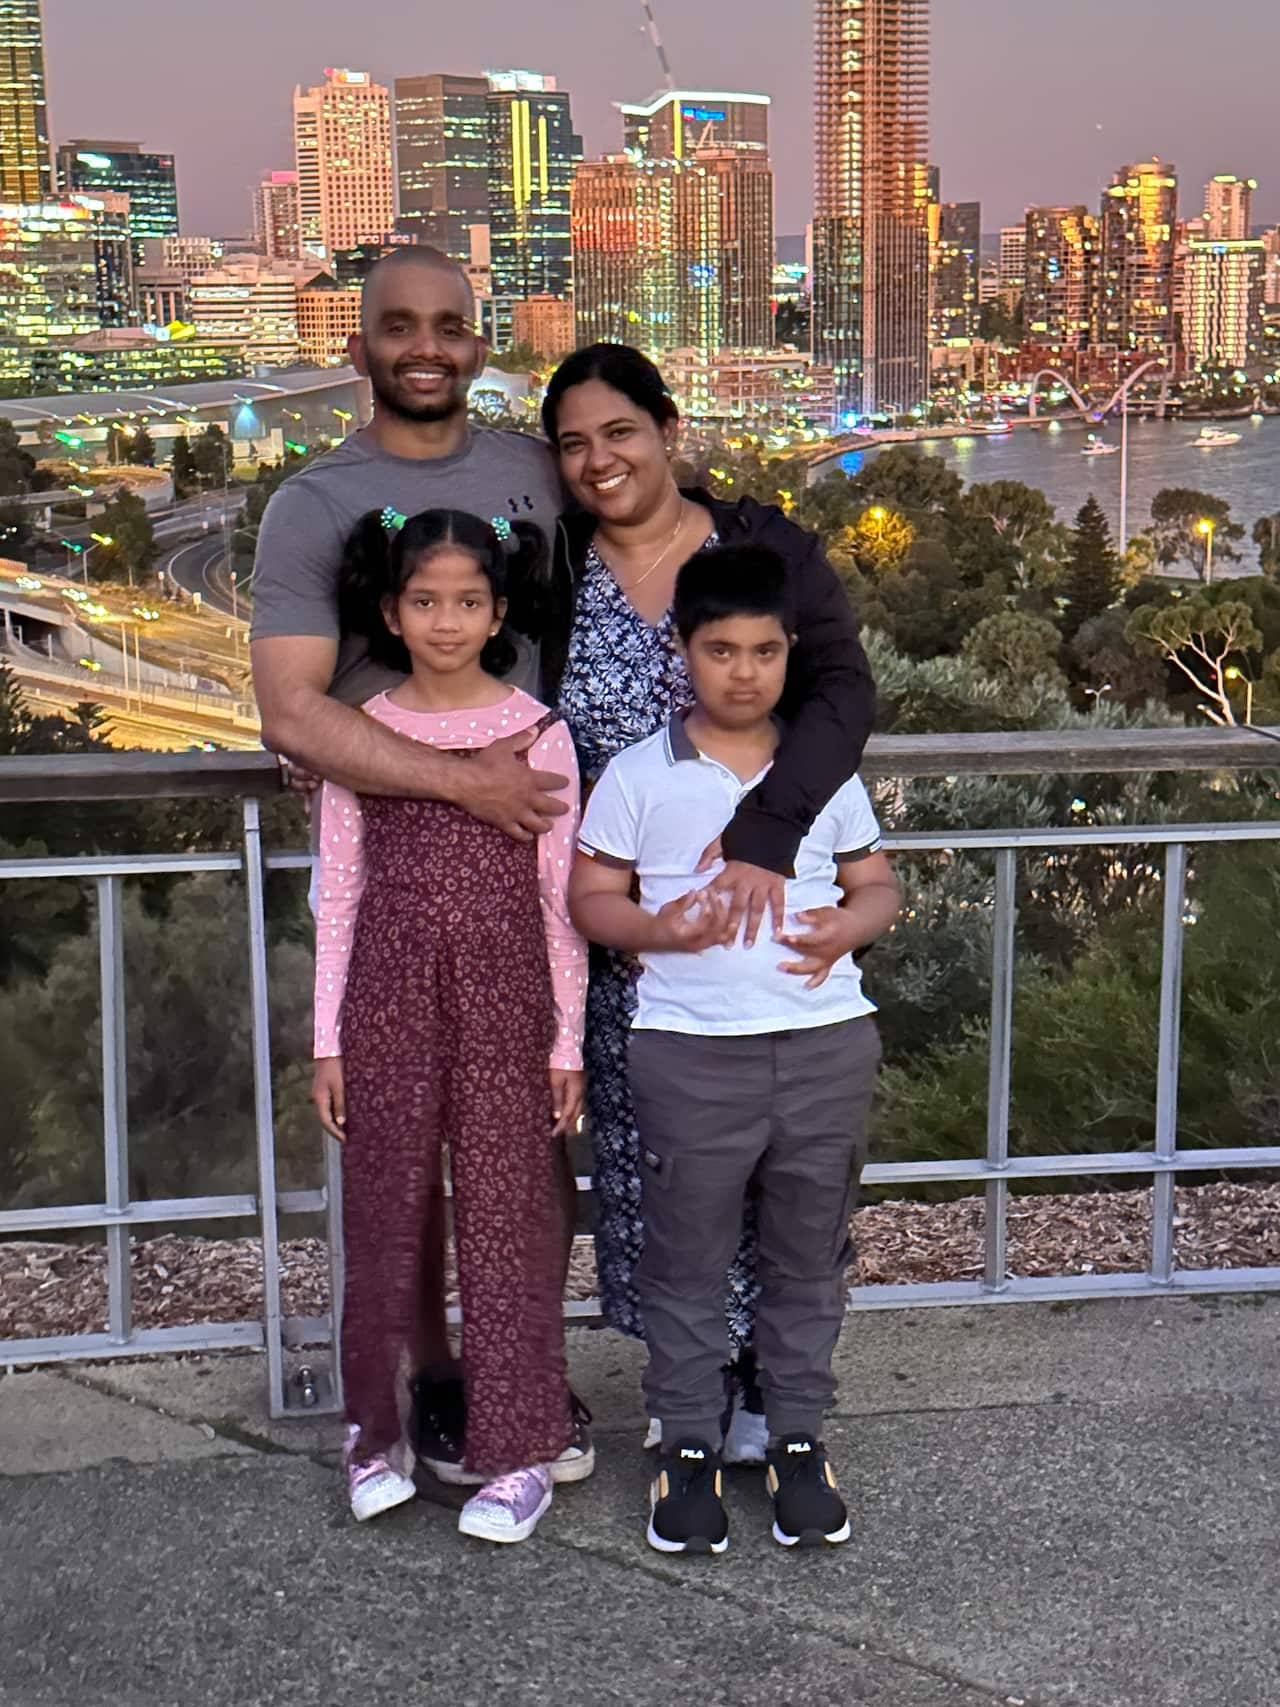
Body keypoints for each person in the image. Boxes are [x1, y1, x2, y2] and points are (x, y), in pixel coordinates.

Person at [538, 344, 877, 1460]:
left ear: (667, 429)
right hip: (614, 906)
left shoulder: (760, 549)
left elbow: (842, 692)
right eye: (574, 442)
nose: (600, 460)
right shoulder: (551, 568)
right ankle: (686, 1392)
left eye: (620, 432)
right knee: (659, 1166)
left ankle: (763, 1381)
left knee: (771, 1161)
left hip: (752, 916)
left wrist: (767, 841)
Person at [570, 545, 899, 1554]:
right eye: (720, 650)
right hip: (689, 1056)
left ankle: (797, 1440)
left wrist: (849, 928)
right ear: (683, 652)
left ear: (791, 654)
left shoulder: (820, 771)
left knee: (807, 1257)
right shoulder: (637, 775)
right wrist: (658, 932)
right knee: (686, 1262)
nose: (743, 671)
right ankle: (685, 1446)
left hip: (822, 1046)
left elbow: (875, 885)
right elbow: (590, 897)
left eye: (764, 650)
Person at [310, 504, 588, 1543]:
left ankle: (516, 1452)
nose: (443, 619)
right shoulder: (364, 734)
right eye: (423, 600)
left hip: (509, 1003)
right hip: (382, 997)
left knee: (508, 1218)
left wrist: (564, 1042)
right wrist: (325, 1040)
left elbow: (562, 902)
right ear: (389, 609)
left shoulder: (537, 732)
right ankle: (370, 1435)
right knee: (385, 1213)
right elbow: (335, 894)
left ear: (498, 611)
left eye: (466, 601)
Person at [250, 244, 568, 840]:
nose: (427, 348)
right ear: (358, 351)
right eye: (399, 327)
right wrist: (469, 782)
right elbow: (290, 713)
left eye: (449, 329)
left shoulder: (545, 474)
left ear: (478, 352)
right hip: (382, 860)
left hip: (540, 841)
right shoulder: (309, 505)